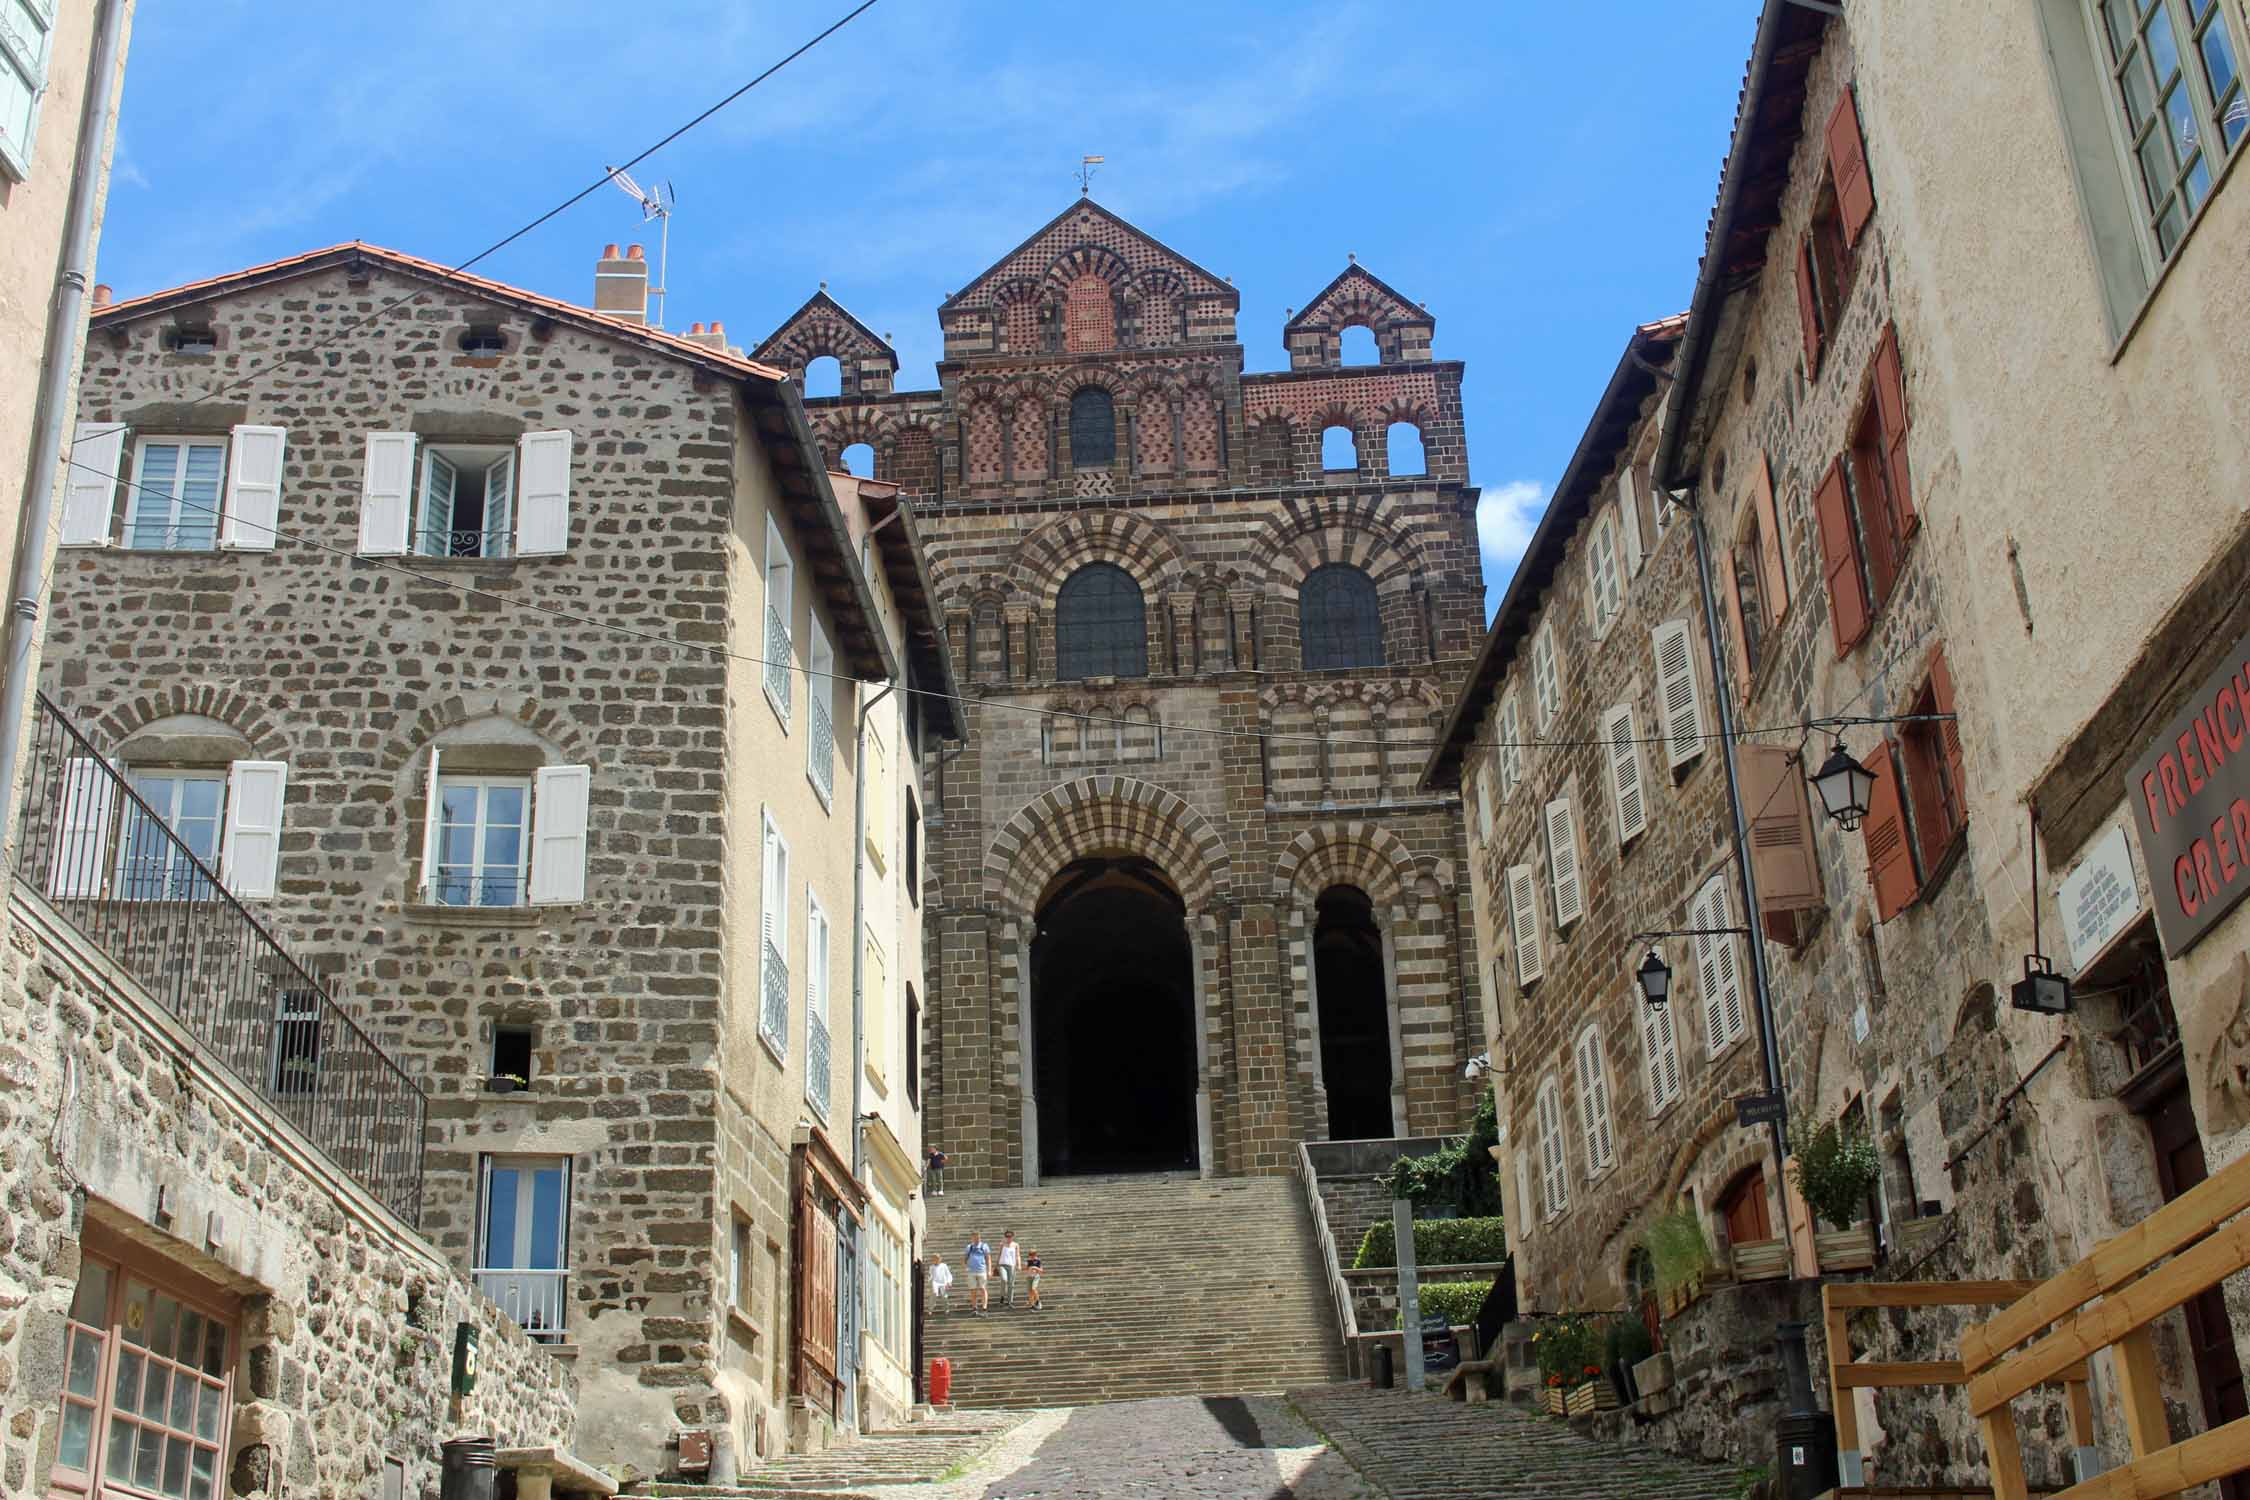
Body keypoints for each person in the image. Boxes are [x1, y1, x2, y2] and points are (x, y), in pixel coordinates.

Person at [963, 1232, 991, 1314]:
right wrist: (965, 1268)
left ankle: (984, 1308)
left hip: (982, 1270)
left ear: (980, 1237)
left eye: (977, 1237)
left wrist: (989, 1270)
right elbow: (964, 1259)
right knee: (973, 1291)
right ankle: (974, 1308)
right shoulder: (969, 1247)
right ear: (972, 1238)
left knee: (983, 1289)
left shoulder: (984, 1246)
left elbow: (988, 1259)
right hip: (971, 1271)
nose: (976, 1239)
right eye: (974, 1237)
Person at [997, 1230, 1020, 1308]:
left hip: (1012, 1266)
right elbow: (999, 1254)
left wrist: (1019, 1265)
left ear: (1013, 1237)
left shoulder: (1016, 1245)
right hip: (1002, 1265)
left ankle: (1009, 1301)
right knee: (1004, 1279)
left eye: (1010, 1236)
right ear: (1005, 1237)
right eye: (1007, 1236)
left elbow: (1018, 1256)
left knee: (1011, 1284)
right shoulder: (1002, 1244)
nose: (1008, 1238)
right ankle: (1002, 1297)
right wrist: (996, 1264)